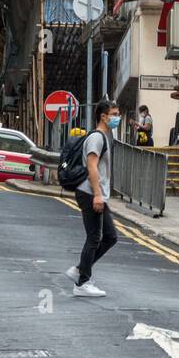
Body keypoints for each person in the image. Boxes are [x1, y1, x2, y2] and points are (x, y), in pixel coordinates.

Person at [66, 100, 120, 298]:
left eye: (117, 113)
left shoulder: (105, 136)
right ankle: (82, 282)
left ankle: (81, 269)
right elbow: (92, 166)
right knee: (95, 237)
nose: (117, 117)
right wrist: (97, 194)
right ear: (103, 116)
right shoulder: (97, 138)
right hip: (90, 192)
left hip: (97, 193)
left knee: (110, 237)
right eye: (113, 114)